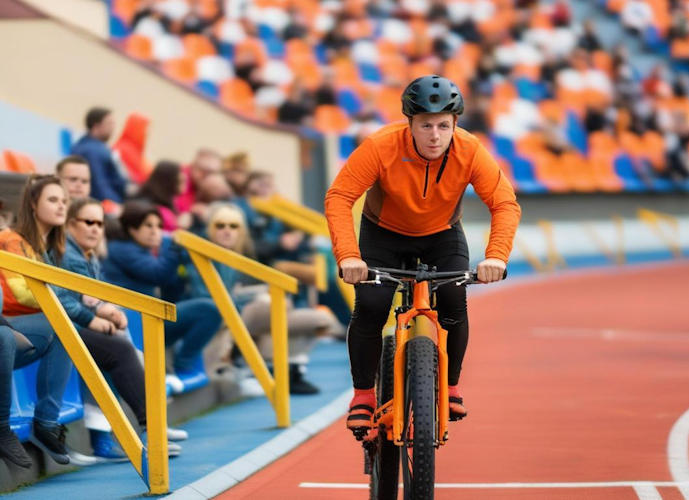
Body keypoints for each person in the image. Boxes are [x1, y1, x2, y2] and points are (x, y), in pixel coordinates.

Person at [324, 75, 521, 435]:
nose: (434, 135)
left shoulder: (470, 149)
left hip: (442, 235)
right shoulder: (381, 145)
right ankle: (363, 395)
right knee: (371, 304)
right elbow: (339, 197)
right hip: (383, 233)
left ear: (454, 125)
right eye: (425, 125)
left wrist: (496, 256)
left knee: (452, 299)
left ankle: (451, 387)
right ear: (409, 124)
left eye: (443, 125)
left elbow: (504, 203)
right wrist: (349, 256)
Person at [58, 198, 185, 460]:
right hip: (63, 328)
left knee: (121, 347)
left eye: (100, 224)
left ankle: (145, 430)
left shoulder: (86, 254)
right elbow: (68, 298)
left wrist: (107, 310)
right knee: (122, 352)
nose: (95, 229)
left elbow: (96, 295)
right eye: (88, 222)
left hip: (76, 325)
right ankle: (150, 430)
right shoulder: (69, 255)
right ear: (70, 224)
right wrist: (96, 313)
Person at [184, 203, 342, 394]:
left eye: (233, 226)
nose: (227, 231)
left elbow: (232, 294)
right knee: (270, 304)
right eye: (220, 226)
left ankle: (285, 370)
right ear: (210, 228)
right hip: (220, 316)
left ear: (241, 231)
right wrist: (256, 297)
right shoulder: (200, 254)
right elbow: (207, 299)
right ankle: (266, 370)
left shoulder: (235, 254)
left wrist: (259, 294)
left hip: (240, 312)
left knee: (320, 320)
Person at [103, 201, 222, 387]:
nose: (155, 231)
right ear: (132, 229)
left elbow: (169, 284)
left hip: (149, 321)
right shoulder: (121, 249)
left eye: (159, 226)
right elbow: (157, 274)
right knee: (209, 309)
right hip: (132, 326)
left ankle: (181, 367)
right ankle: (183, 366)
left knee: (209, 308)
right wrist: (172, 246)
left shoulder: (142, 249)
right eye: (148, 226)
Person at [0, 175, 74, 466]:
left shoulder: (46, 247)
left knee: (66, 327)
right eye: (53, 199)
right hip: (11, 324)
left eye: (64, 201)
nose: (61, 207)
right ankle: (3, 427)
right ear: (32, 204)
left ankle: (46, 422)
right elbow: (19, 293)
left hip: (13, 325)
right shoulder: (11, 240)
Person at [71, 107, 128, 206]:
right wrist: (114, 204)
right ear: (96, 126)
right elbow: (98, 184)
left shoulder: (89, 146)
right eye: (109, 123)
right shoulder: (92, 151)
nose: (113, 127)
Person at [132, 160, 186, 233]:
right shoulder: (147, 207)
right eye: (179, 172)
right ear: (168, 179)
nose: (184, 176)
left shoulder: (168, 202)